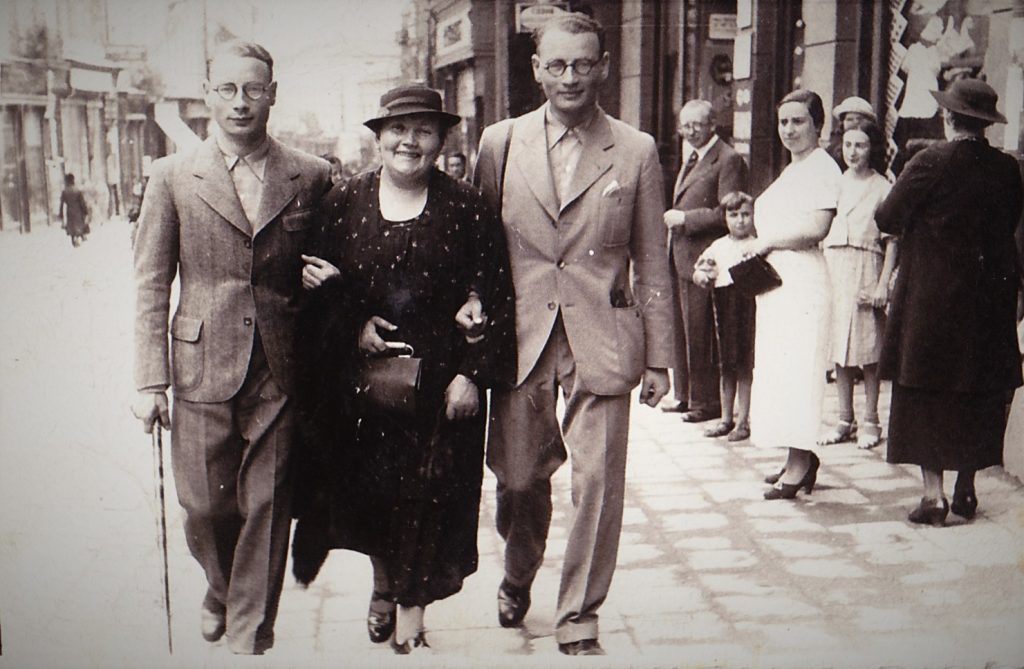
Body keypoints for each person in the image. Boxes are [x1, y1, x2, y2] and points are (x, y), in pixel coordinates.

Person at [473, 12, 674, 656]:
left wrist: (662, 358)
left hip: (603, 338)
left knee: (598, 482)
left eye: (583, 64)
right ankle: (518, 572)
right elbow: (478, 251)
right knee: (521, 480)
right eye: (557, 65)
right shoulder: (500, 143)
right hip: (522, 337)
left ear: (605, 67)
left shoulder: (636, 150)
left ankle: (580, 615)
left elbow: (652, 260)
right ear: (536, 70)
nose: (570, 78)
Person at [290, 84, 515, 654]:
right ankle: (384, 587)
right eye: (398, 129)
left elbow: (496, 293)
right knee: (374, 497)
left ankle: (413, 612)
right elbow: (316, 287)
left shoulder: (468, 207)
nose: (408, 141)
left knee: (432, 497)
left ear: (441, 140)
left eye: (423, 130)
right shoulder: (343, 203)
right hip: (366, 385)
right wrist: (354, 324)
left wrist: (472, 375)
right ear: (379, 137)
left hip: (442, 387)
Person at [131, 40, 332, 655]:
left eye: (253, 89)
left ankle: (249, 633)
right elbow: (150, 281)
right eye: (227, 89)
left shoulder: (312, 175)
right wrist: (148, 382)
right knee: (204, 508)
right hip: (199, 364)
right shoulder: (172, 176)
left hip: (280, 365)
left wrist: (323, 278)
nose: (241, 103)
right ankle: (220, 589)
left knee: (269, 502)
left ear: (273, 93)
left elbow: (332, 263)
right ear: (208, 93)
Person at [875, 78, 1023, 526]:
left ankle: (933, 497)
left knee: (924, 392)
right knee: (978, 390)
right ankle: (966, 489)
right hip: (989, 299)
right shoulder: (1008, 169)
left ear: (948, 116)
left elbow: (886, 216)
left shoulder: (930, 161)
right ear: (986, 124)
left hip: (933, 299)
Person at [741, 89, 840, 500]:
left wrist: (766, 244)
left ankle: (801, 464)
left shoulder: (823, 168)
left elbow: (817, 228)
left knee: (799, 371)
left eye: (798, 121)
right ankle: (794, 457)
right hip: (779, 286)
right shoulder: (794, 169)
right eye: (783, 122)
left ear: (818, 124)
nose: (789, 129)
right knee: (779, 371)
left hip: (802, 283)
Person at [663, 100, 749, 419]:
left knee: (702, 331)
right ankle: (683, 394)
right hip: (681, 254)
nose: (690, 131)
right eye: (685, 126)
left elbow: (728, 212)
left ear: (713, 124)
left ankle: (706, 403)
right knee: (682, 329)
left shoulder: (728, 159)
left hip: (707, 258)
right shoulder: (693, 156)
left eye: (697, 125)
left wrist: (685, 218)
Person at [819, 121, 897, 450]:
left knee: (868, 351)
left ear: (872, 149)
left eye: (861, 145)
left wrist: (882, 285)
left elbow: (892, 241)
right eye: (848, 145)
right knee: (839, 349)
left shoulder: (883, 187)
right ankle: (843, 418)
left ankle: (871, 420)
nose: (853, 152)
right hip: (835, 267)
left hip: (867, 265)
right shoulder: (833, 185)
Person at [691, 191, 757, 442]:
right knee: (726, 364)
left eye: (745, 215)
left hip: (749, 306)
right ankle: (726, 418)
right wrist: (703, 276)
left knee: (744, 365)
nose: (740, 220)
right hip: (725, 307)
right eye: (733, 215)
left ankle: (743, 421)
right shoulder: (718, 247)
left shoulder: (757, 244)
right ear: (724, 217)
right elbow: (701, 270)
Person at [825, 96, 877, 170]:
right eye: (849, 119)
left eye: (859, 119)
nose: (854, 123)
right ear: (842, 123)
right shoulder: (834, 148)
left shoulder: (875, 147)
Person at [59, 173, 89, 247]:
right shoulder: (78, 190)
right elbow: (82, 202)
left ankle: (73, 239)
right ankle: (79, 237)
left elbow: (62, 204)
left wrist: (61, 215)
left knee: (71, 225)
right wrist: (85, 211)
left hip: (69, 211)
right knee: (78, 224)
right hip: (78, 211)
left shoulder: (64, 191)